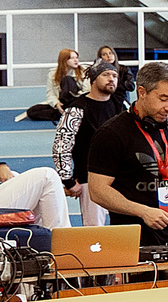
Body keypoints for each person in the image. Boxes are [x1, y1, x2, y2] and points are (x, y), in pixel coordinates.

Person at [84, 63, 168, 241]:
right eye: (164, 98)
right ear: (142, 92)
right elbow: (98, 191)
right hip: (133, 237)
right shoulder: (111, 133)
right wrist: (143, 211)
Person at [52, 62, 129, 224]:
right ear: (93, 79)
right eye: (106, 75)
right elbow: (61, 145)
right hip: (90, 179)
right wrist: (68, 180)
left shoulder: (121, 106)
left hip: (121, 178)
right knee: (95, 232)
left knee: (126, 226)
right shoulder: (76, 109)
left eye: (114, 76)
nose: (111, 79)